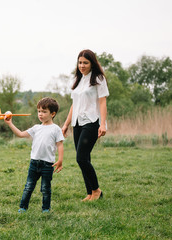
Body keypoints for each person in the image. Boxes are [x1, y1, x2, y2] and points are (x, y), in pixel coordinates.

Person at [62, 49, 109, 201]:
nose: (82, 65)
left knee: (80, 158)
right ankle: (90, 193)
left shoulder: (98, 79)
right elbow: (73, 105)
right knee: (85, 158)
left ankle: (96, 190)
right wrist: (66, 124)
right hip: (77, 123)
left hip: (92, 121)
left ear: (92, 63)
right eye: (80, 62)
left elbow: (102, 102)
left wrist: (102, 124)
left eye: (85, 63)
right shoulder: (77, 80)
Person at [4, 97, 64, 213]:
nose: (40, 114)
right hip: (34, 162)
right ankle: (23, 207)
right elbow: (21, 134)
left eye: (44, 112)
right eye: (39, 111)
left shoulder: (56, 129)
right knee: (28, 187)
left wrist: (60, 160)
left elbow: (60, 145)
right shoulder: (36, 128)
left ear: (53, 114)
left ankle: (46, 209)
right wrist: (10, 123)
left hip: (47, 165)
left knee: (46, 188)